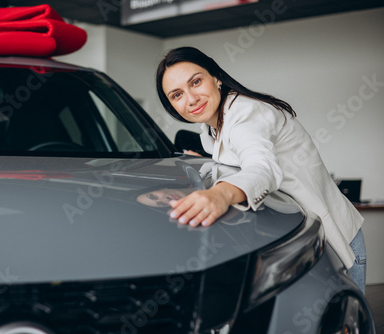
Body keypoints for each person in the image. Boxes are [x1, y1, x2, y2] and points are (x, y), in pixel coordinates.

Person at [155, 46, 366, 293]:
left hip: (336, 240)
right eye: (177, 95)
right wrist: (201, 159)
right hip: (302, 241)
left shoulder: (245, 112)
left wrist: (219, 194)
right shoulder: (211, 129)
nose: (191, 99)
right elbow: (237, 154)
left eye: (196, 82)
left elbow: (262, 166)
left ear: (216, 78)